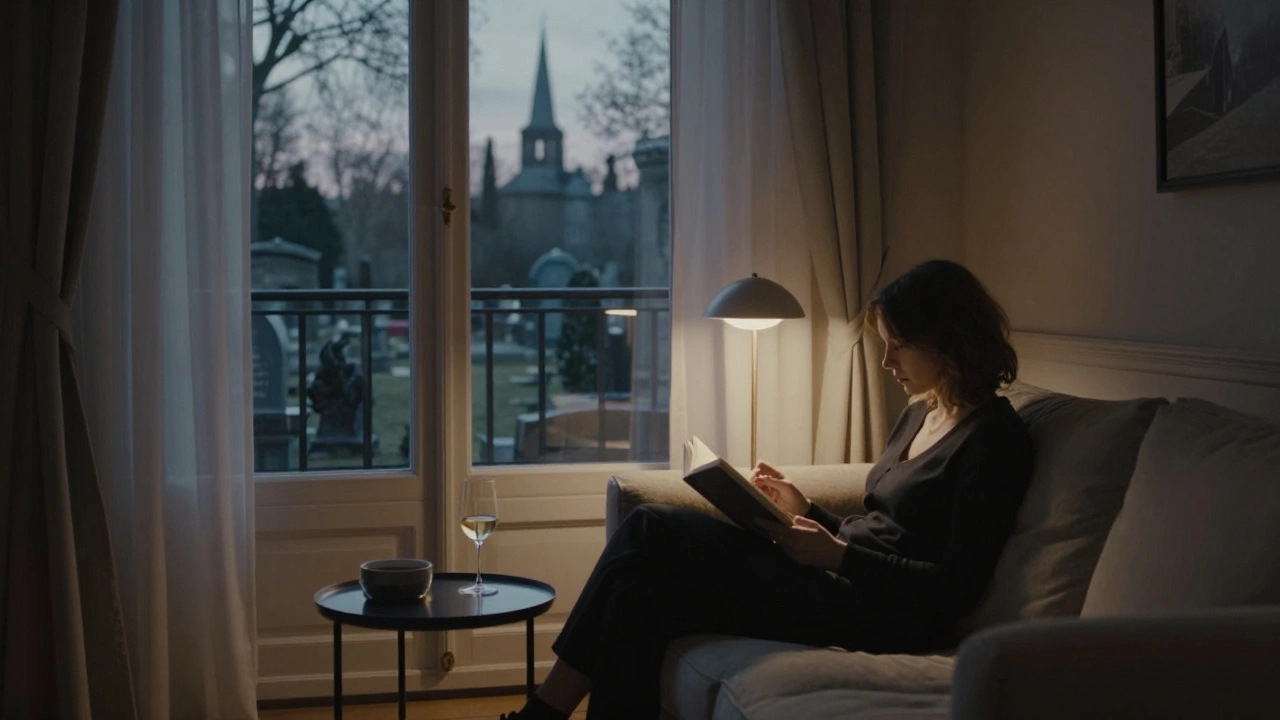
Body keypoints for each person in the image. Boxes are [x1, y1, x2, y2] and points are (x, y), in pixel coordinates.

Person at [502, 259, 1033, 720]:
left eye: (898, 346)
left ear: (947, 341)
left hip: (889, 616)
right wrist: (810, 512)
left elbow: (955, 587)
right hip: (841, 577)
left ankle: (542, 714)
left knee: (650, 526)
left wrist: (840, 558)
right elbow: (880, 526)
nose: (886, 362)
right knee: (640, 599)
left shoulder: (994, 440)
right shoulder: (922, 411)